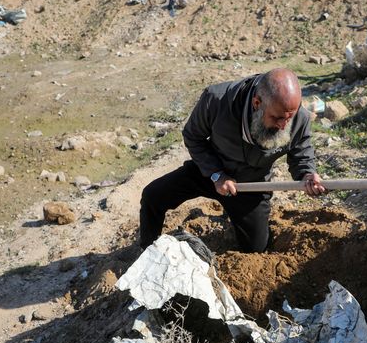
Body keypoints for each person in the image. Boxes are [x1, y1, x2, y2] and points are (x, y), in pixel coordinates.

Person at [139, 68, 326, 252]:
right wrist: (216, 174)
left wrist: (307, 173)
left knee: (256, 248)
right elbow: (192, 136)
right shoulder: (217, 100)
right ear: (256, 103)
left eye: (289, 118)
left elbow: (301, 151)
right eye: (277, 118)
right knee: (152, 196)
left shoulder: (297, 117)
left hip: (251, 185)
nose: (284, 125)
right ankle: (147, 250)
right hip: (210, 171)